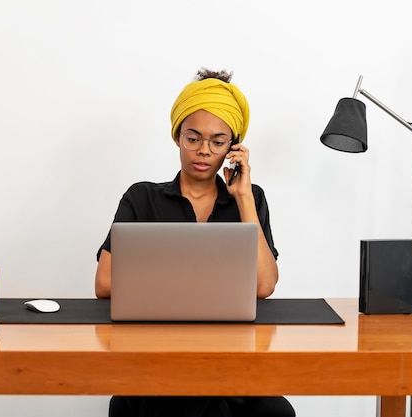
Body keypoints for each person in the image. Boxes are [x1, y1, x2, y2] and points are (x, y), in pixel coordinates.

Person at [95, 68, 295, 417]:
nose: (204, 151)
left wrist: (243, 196)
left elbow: (264, 285)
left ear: (233, 148)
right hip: (156, 353)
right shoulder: (142, 198)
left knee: (276, 412)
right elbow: (105, 282)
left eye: (218, 142)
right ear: (177, 137)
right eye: (193, 138)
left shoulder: (251, 199)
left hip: (233, 356)